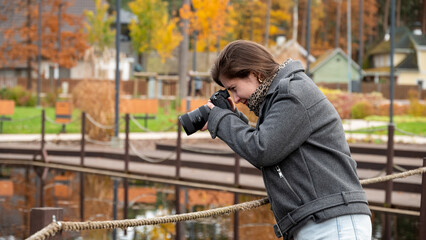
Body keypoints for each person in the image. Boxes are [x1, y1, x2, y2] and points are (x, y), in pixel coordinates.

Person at [202, 40, 372, 240]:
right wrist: (232, 119)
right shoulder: (282, 94)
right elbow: (270, 141)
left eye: (234, 88)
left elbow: (263, 150)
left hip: (333, 224)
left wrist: (220, 120)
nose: (236, 99)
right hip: (322, 221)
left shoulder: (292, 93)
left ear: (255, 73)